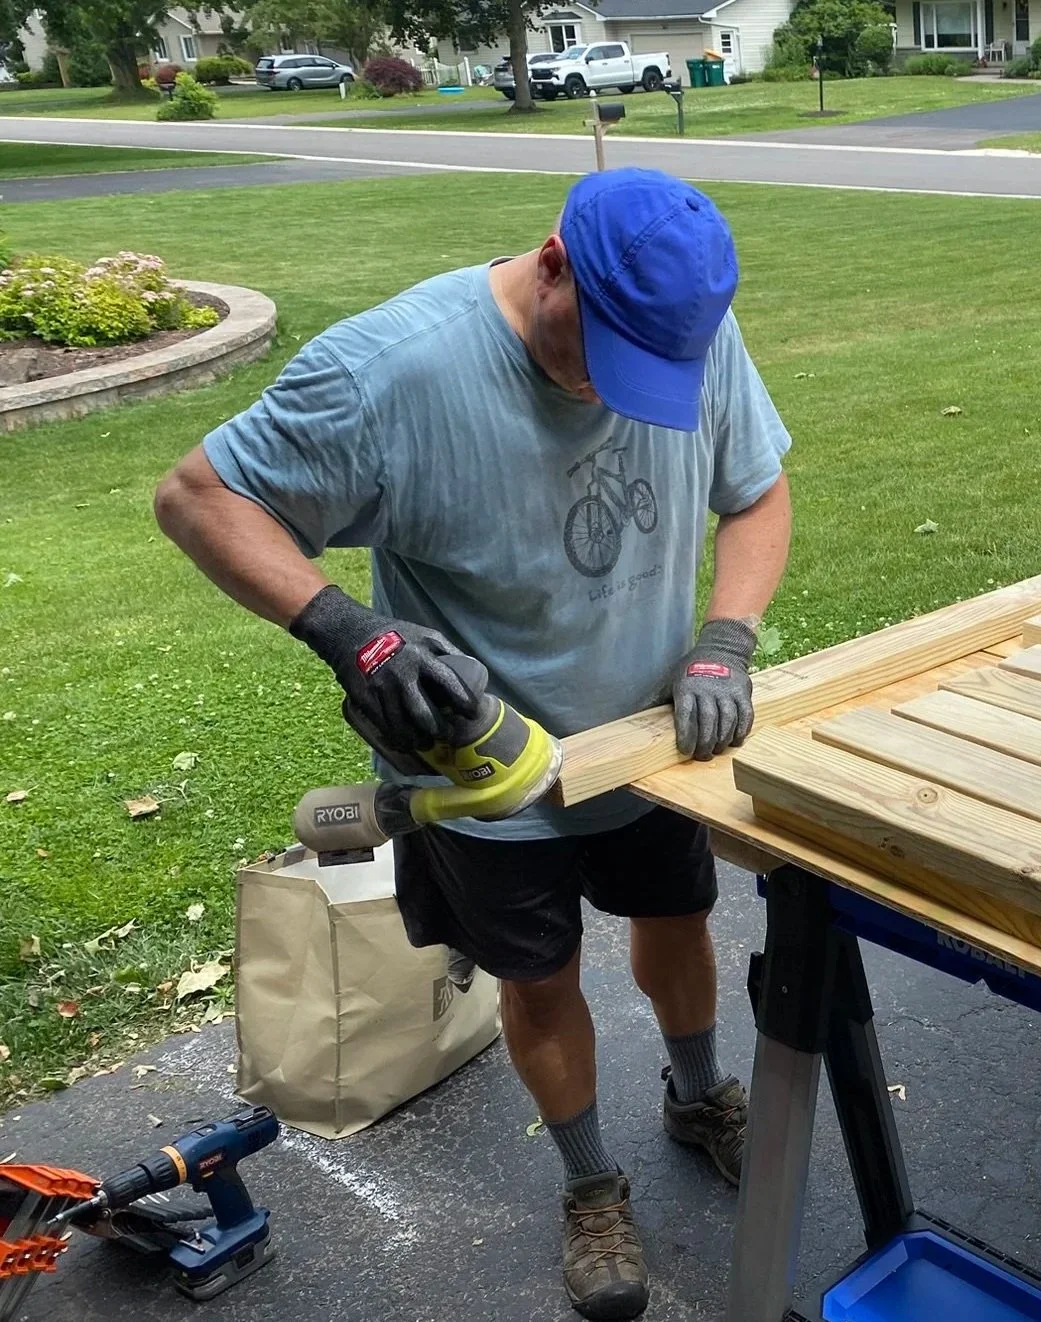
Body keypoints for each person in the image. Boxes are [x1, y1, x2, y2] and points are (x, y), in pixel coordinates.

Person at [154, 168, 792, 1321]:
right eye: (601, 356)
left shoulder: (681, 329)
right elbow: (198, 498)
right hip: (483, 764)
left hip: (644, 737)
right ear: (551, 264)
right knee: (538, 980)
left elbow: (755, 493)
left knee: (678, 919)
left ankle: (700, 1095)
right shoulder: (389, 373)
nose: (615, 391)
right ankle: (590, 1182)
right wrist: (346, 631)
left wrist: (723, 641)